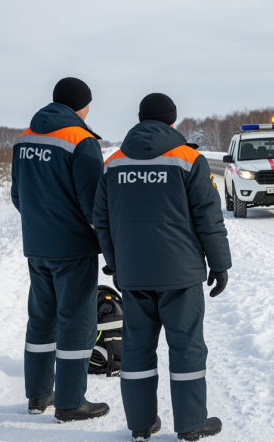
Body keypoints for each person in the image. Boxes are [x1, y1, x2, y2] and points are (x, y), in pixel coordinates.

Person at [94, 93, 231, 441]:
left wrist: (115, 263)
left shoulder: (113, 163)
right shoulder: (189, 159)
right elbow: (209, 217)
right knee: (186, 347)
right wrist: (219, 264)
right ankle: (191, 424)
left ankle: (141, 424)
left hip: (134, 275)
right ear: (172, 121)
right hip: (180, 275)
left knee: (137, 348)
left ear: (140, 119)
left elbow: (102, 221)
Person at [11, 77, 110, 422]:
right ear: (81, 105)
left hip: (36, 247)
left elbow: (17, 195)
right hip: (73, 248)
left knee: (42, 319)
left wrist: (40, 225)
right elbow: (93, 205)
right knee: (76, 322)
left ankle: (38, 396)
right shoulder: (80, 141)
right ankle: (70, 402)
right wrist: (108, 245)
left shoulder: (24, 138)